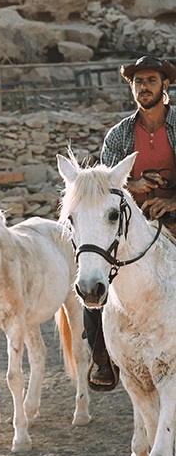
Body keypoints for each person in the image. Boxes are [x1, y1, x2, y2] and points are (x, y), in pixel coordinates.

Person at [87, 54, 176, 391]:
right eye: (138, 82)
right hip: (130, 225)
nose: (144, 87)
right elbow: (104, 187)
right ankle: (102, 358)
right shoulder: (119, 134)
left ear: (164, 85)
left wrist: (171, 200)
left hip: (175, 218)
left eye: (151, 81)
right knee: (95, 274)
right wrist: (131, 187)